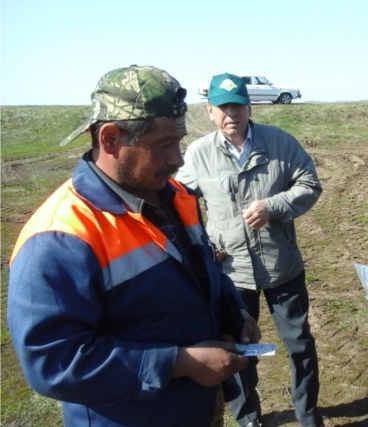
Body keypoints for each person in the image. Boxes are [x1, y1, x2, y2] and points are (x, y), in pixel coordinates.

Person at [6, 65, 260, 427]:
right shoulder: (59, 238)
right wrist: (179, 362)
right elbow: (53, 362)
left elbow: (201, 269)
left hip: (196, 410)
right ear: (110, 139)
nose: (178, 159)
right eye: (163, 145)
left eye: (179, 140)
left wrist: (233, 309)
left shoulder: (176, 197)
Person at [176, 73, 323, 427]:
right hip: (231, 274)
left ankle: (308, 415)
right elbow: (178, 202)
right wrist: (203, 245)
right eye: (223, 107)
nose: (231, 114)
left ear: (249, 106)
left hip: (281, 265)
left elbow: (309, 184)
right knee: (237, 350)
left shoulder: (280, 143)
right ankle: (249, 419)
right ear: (209, 110)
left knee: (300, 344)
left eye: (238, 105)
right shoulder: (198, 154)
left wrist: (273, 205)